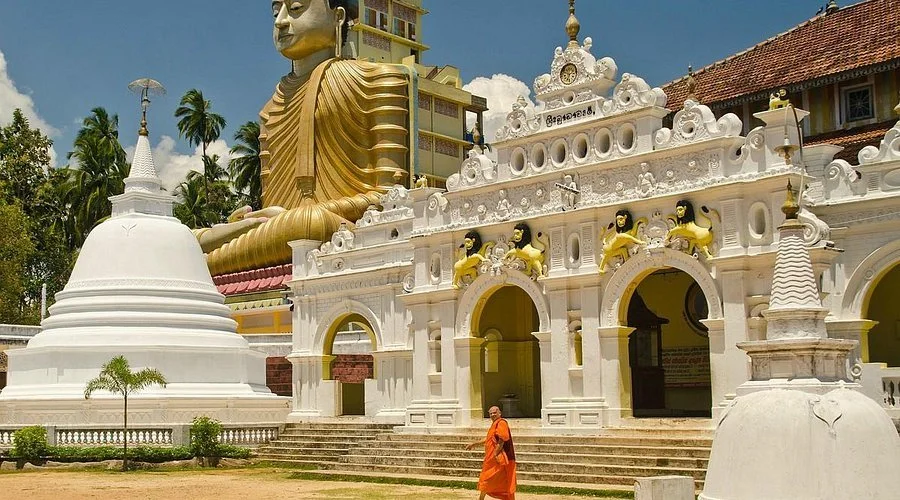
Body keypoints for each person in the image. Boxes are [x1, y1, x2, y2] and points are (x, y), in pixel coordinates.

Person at [198, 0, 411, 276]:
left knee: (305, 222)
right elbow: (272, 209)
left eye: (296, 8)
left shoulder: (379, 80)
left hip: (335, 228)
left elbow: (389, 196)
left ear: (338, 16)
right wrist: (252, 221)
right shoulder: (270, 109)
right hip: (276, 235)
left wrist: (286, 218)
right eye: (276, 12)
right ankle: (204, 257)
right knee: (190, 237)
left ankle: (199, 268)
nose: (281, 21)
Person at [466, 406, 517, 500]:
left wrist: (495, 453)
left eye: (494, 412)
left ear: (500, 413)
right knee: (489, 479)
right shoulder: (494, 425)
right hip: (492, 459)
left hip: (499, 459)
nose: (493, 415)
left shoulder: (501, 423)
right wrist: (474, 444)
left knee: (491, 479)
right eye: (491, 413)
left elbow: (502, 439)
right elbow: (489, 439)